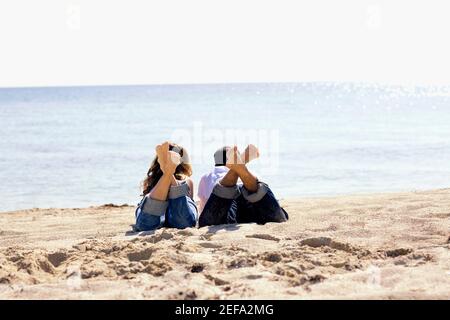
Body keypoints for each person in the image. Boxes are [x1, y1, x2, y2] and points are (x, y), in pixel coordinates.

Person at [199, 145, 288, 227]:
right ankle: (242, 161)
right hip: (248, 194)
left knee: (208, 221)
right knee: (260, 197)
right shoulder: (251, 173)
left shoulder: (207, 176)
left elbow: (203, 205)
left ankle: (238, 166)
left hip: (224, 198)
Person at [134, 142, 197, 231]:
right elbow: (189, 199)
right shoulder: (186, 180)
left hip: (154, 208)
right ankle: (169, 173)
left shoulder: (150, 180)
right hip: (179, 213)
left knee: (146, 225)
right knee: (183, 222)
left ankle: (167, 173)